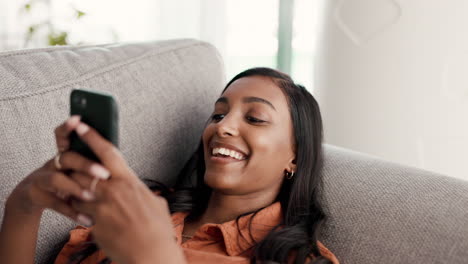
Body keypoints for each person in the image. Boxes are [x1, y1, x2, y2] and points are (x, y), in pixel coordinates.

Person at [0, 67, 339, 264]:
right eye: (218, 114)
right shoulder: (143, 210)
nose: (222, 127)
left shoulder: (302, 259)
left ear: (295, 155)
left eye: (255, 117)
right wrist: (23, 205)